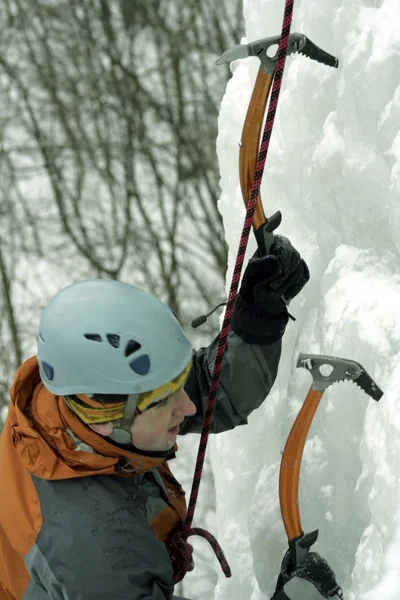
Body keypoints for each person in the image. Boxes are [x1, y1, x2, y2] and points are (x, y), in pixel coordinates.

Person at [0, 235, 341, 599]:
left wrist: (257, 321)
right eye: (165, 401)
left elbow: (203, 391)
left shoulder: (71, 400)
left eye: (177, 383)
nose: (189, 406)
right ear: (105, 421)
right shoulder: (97, 554)